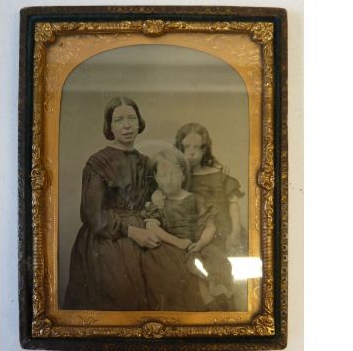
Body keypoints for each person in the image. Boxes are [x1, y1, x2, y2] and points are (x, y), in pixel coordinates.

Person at [63, 97, 161, 310]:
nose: (127, 125)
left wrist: (152, 221)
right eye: (119, 120)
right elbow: (93, 216)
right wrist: (132, 232)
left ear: (139, 122)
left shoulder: (145, 162)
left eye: (132, 118)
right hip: (108, 238)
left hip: (144, 234)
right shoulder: (98, 162)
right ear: (110, 126)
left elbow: (152, 201)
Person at [144, 147, 235, 310]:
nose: (169, 180)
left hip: (197, 245)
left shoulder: (195, 199)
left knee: (215, 260)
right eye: (163, 175)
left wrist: (200, 243)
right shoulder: (157, 203)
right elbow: (152, 227)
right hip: (171, 247)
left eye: (174, 174)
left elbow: (210, 227)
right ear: (156, 178)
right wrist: (178, 242)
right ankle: (208, 302)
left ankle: (217, 295)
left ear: (183, 175)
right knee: (184, 270)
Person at [174, 122, 248, 310]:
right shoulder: (178, 179)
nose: (191, 153)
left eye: (196, 147)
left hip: (223, 230)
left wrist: (235, 232)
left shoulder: (218, 175)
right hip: (196, 232)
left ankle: (226, 302)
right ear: (179, 148)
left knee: (222, 266)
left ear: (204, 149)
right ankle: (211, 304)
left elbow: (233, 205)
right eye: (186, 147)